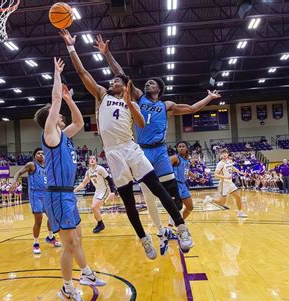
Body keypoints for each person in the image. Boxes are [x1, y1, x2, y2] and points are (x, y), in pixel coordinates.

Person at [60, 29, 194, 258]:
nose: (113, 82)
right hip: (113, 153)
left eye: (117, 81)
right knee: (129, 201)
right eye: (112, 81)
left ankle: (182, 228)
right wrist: (71, 47)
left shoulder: (133, 101)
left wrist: (130, 104)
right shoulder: (102, 95)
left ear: (125, 86)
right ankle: (144, 240)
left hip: (131, 147)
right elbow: (82, 72)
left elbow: (141, 124)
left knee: (158, 189)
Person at [93, 34, 219, 254]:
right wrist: (107, 54)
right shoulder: (138, 97)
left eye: (152, 82)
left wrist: (208, 98)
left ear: (159, 89)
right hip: (139, 150)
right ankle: (161, 233)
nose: (148, 83)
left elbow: (191, 109)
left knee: (172, 194)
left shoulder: (166, 104)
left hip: (160, 150)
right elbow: (119, 73)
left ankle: (176, 228)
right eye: (147, 82)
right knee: (149, 197)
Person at [34, 57, 105, 301]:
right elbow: (53, 103)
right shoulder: (50, 134)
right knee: (70, 243)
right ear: (50, 121)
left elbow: (80, 123)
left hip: (67, 196)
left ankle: (77, 280)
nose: (62, 117)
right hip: (57, 196)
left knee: (76, 239)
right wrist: (56, 74)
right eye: (57, 116)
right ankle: (73, 283)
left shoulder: (64, 135)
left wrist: (70, 99)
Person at [11, 147, 62, 254]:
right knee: (38, 220)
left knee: (52, 217)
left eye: (43, 153)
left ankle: (50, 237)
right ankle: (36, 243)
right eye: (38, 153)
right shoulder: (32, 165)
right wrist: (14, 182)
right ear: (35, 156)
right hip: (36, 195)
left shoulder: (47, 167)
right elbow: (19, 173)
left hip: (47, 195)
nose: (41, 155)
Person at [74, 155, 116, 233]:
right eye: (90, 159)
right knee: (94, 209)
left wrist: (113, 192)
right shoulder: (88, 172)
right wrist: (74, 190)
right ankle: (99, 223)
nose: (92, 160)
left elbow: (110, 180)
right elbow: (83, 184)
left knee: (94, 207)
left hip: (105, 190)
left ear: (96, 161)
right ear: (88, 161)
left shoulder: (100, 169)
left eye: (94, 159)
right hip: (98, 191)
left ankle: (101, 224)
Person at [203, 149, 248, 218]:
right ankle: (210, 199)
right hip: (224, 184)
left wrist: (240, 172)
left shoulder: (229, 161)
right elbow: (215, 175)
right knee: (222, 203)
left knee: (238, 197)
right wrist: (226, 177)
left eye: (225, 153)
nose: (224, 155)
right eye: (222, 153)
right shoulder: (220, 164)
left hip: (230, 183)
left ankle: (240, 212)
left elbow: (232, 168)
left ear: (227, 154)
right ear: (220, 155)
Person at [170, 141, 207, 220]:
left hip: (183, 184)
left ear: (187, 148)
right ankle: (170, 228)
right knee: (176, 207)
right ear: (177, 148)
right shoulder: (175, 157)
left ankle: (180, 223)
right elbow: (165, 167)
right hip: (176, 184)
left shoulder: (186, 160)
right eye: (179, 146)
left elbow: (187, 172)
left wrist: (197, 178)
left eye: (183, 146)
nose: (181, 148)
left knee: (190, 207)